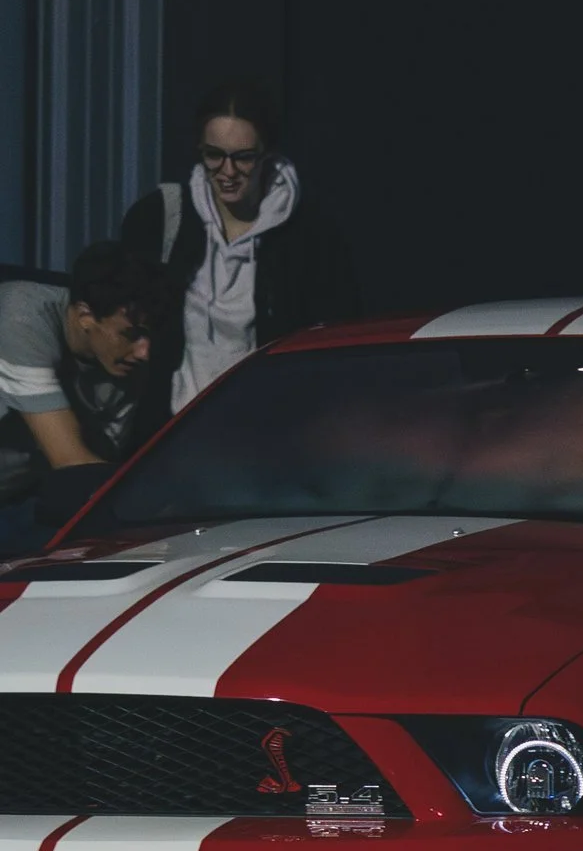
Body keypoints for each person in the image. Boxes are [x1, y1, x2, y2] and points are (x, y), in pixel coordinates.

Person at [119, 75, 358, 411]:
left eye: (243, 157)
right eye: (214, 155)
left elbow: (335, 347)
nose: (227, 171)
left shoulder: (310, 237)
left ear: (267, 155)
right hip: (174, 436)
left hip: (267, 435)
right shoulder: (160, 218)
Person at [0, 239, 167, 551]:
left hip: (21, 499)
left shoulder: (125, 362)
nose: (145, 352)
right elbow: (73, 463)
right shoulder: (19, 318)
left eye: (149, 335)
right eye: (130, 335)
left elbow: (100, 475)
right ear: (84, 316)